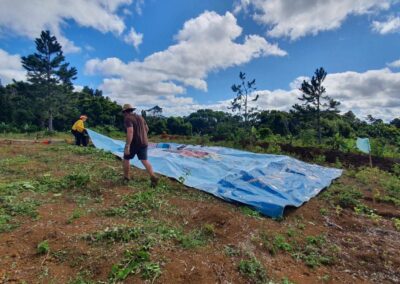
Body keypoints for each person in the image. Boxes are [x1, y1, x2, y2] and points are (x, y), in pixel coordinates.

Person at [122, 104, 158, 187]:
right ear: (132, 110)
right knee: (144, 160)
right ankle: (153, 176)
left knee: (126, 158)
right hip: (144, 143)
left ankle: (126, 178)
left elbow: (130, 132)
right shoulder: (140, 117)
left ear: (125, 112)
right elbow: (147, 129)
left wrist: (127, 146)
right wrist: (142, 136)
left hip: (134, 143)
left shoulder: (128, 118)